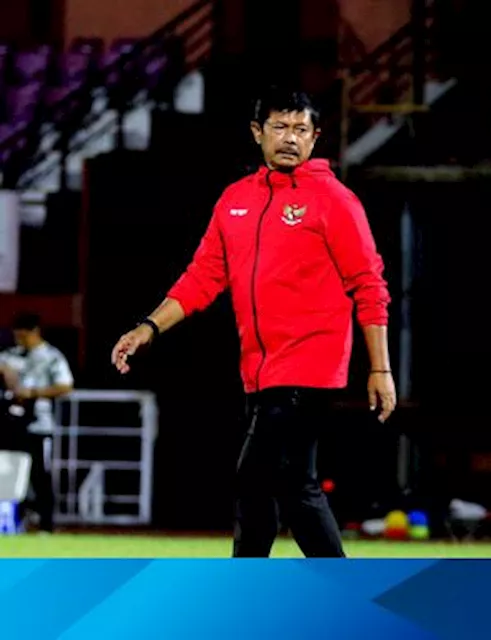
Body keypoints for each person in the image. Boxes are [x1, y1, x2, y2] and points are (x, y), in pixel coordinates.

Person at [110, 89, 395, 558]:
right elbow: (202, 276)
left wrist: (380, 369)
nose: (290, 139)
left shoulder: (333, 200)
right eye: (280, 127)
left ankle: (254, 594)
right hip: (259, 372)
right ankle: (307, 595)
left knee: (263, 481)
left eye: (301, 130)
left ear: (316, 137)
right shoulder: (235, 200)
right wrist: (148, 327)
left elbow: (369, 285)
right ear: (257, 132)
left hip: (310, 366)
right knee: (278, 487)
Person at [0, 313, 74, 533]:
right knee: (8, 473)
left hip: (39, 426)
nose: (19, 340)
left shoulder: (51, 356)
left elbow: (65, 385)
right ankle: (13, 522)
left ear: (35, 332)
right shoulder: (9, 355)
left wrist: (32, 393)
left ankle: (46, 526)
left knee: (40, 475)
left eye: (23, 336)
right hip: (10, 425)